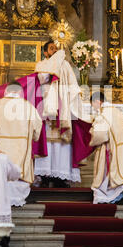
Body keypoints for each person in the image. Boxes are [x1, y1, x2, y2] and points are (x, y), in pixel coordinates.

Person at [0, 81, 43, 206]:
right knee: (18, 174)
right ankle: (16, 200)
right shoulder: (29, 107)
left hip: (0, 152)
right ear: (20, 92)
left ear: (6, 92)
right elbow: (37, 130)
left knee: (0, 177)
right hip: (21, 152)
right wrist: (32, 136)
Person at [34, 40, 84, 188]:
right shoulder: (41, 65)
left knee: (61, 143)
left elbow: (72, 84)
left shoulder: (65, 65)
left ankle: (60, 176)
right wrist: (55, 62)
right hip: (46, 108)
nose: (55, 50)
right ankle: (44, 175)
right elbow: (42, 78)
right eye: (51, 49)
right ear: (45, 53)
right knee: (48, 142)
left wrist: (74, 95)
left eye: (56, 48)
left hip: (62, 107)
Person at [89, 92, 123, 204]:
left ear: (97, 101)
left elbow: (101, 135)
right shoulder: (116, 111)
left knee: (108, 176)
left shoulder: (103, 114)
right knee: (120, 173)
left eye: (92, 105)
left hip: (110, 149)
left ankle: (112, 196)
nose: (93, 108)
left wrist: (91, 137)